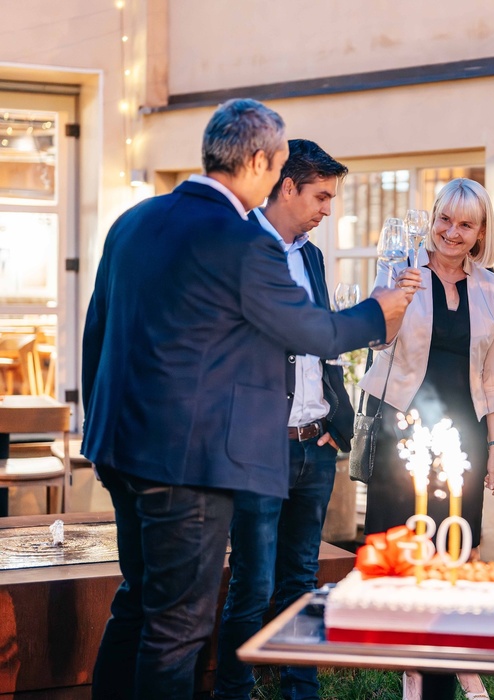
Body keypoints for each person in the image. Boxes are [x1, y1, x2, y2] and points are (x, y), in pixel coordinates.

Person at [81, 99, 413, 700]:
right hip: (188, 462)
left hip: (118, 449)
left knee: (137, 601)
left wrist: (97, 430)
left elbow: (97, 332)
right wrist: (378, 312)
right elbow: (312, 332)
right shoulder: (239, 241)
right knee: (177, 629)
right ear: (259, 162)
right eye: (279, 163)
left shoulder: (133, 221)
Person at [358, 178, 494, 700]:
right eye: (444, 219)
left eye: (466, 224)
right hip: (401, 429)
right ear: (432, 218)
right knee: (406, 549)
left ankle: (460, 660)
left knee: (457, 547)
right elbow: (376, 341)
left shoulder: (490, 288)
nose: (451, 231)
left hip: (464, 435)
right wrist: (394, 295)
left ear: (480, 232)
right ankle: (413, 669)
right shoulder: (403, 269)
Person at [214, 140, 353, 700]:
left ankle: (302, 692)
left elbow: (325, 343)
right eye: (321, 196)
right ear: (288, 187)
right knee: (252, 584)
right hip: (258, 450)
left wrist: (338, 420)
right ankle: (233, 693)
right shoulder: (237, 249)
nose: (327, 209)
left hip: (313, 447)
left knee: (301, 581)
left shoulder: (313, 257)